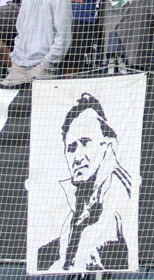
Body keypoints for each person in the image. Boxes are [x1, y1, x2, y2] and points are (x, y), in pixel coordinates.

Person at [36, 92, 133, 273]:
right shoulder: (75, 204)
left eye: (85, 143)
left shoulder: (122, 197)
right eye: (71, 148)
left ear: (107, 144)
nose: (78, 157)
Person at [2, 0, 73, 86]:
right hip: (19, 65)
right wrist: (14, 58)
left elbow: (63, 36)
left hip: (41, 68)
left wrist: (46, 63)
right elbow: (20, 31)